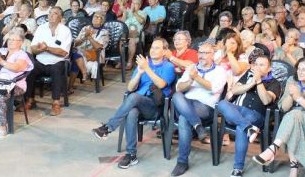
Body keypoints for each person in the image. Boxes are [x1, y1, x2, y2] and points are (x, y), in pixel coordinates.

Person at [91, 38, 176, 169]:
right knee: (131, 111)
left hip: (154, 107)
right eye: (152, 47)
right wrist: (139, 73)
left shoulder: (168, 67)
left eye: (157, 48)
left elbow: (161, 84)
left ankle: (108, 128)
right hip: (137, 104)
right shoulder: (143, 65)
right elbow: (130, 88)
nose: (153, 50)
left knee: (134, 97)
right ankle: (131, 155)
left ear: (165, 52)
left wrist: (146, 68)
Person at [253, 57, 305, 176]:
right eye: (298, 69)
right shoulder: (292, 80)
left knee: (294, 114)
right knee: (293, 116)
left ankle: (273, 150)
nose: (299, 72)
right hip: (292, 121)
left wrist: (299, 98)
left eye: (304, 70)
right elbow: (284, 108)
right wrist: (291, 96)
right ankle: (293, 168)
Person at [216, 55, 281, 177]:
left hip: (256, 115)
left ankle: (238, 168)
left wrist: (259, 82)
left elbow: (266, 100)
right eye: (256, 64)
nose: (257, 67)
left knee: (241, 128)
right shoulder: (247, 75)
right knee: (222, 103)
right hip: (237, 111)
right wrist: (251, 83)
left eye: (262, 65)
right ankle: (248, 127)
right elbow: (235, 90)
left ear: (269, 68)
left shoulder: (274, 83)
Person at [170, 40, 227, 176]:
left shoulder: (220, 71)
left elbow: (213, 88)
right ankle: (197, 126)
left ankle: (182, 162)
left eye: (206, 53)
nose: (201, 56)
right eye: (200, 53)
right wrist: (190, 80)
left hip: (206, 108)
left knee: (184, 119)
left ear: (213, 55)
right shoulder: (192, 68)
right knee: (177, 95)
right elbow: (179, 87)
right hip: (187, 104)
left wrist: (196, 77)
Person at [25, 6, 72, 116]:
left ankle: (56, 103)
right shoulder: (41, 28)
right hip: (41, 61)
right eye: (50, 13)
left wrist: (47, 48)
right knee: (29, 70)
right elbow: (33, 49)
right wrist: (39, 48)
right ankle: (30, 100)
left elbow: (64, 52)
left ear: (60, 17)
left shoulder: (65, 31)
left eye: (54, 13)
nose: (51, 15)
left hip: (58, 61)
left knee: (57, 70)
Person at [70, 11, 110, 91]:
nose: (95, 18)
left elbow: (99, 47)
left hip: (95, 55)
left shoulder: (105, 32)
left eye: (98, 17)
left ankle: (71, 85)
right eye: (95, 16)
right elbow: (76, 43)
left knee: (76, 56)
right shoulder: (85, 28)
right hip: (80, 52)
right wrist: (84, 36)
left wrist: (90, 38)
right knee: (76, 55)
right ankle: (81, 75)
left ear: (102, 21)